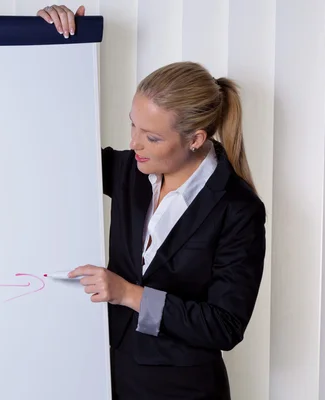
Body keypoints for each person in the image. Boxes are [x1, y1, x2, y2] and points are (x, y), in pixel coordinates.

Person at [37, 5, 267, 400]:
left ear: (195, 139)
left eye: (152, 137)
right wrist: (53, 43)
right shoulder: (129, 170)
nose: (134, 144)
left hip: (181, 389)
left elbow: (226, 325)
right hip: (104, 375)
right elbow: (52, 147)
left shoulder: (237, 208)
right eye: (132, 125)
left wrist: (129, 294)